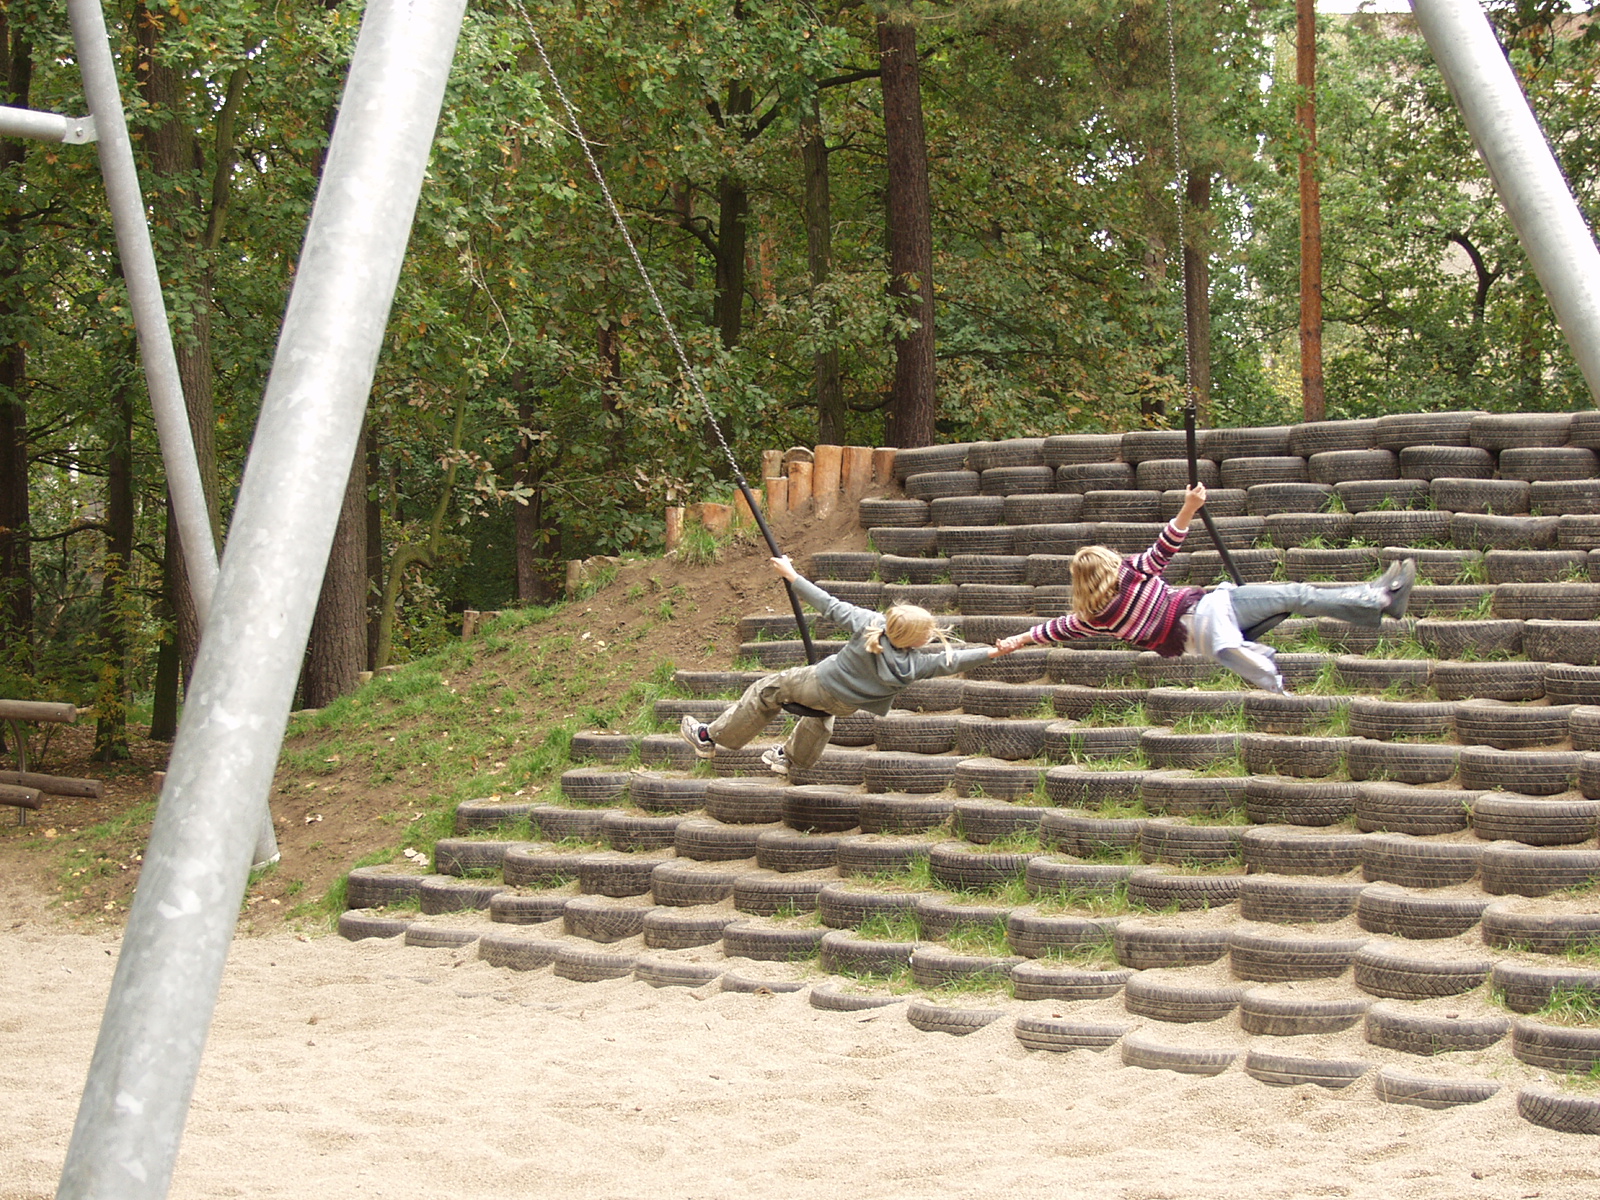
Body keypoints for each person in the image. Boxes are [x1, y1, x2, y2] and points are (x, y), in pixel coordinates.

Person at [994, 483, 1417, 694]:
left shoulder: (1092, 618)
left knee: (1295, 599)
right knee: (1297, 594)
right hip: (1217, 612)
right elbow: (1165, 545)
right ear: (1107, 565)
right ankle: (1380, 598)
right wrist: (1189, 507)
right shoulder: (1131, 573)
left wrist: (1014, 641)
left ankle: (1375, 598)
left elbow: (1051, 630)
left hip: (1204, 640)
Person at [681, 556, 1004, 775]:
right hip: (846, 704)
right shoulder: (916, 664)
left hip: (816, 683)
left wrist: (792, 575)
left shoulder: (870, 624)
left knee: (766, 691)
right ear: (916, 640)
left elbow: (828, 604)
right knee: (819, 714)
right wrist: (991, 652)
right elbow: (951, 661)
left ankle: (709, 736)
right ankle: (788, 758)